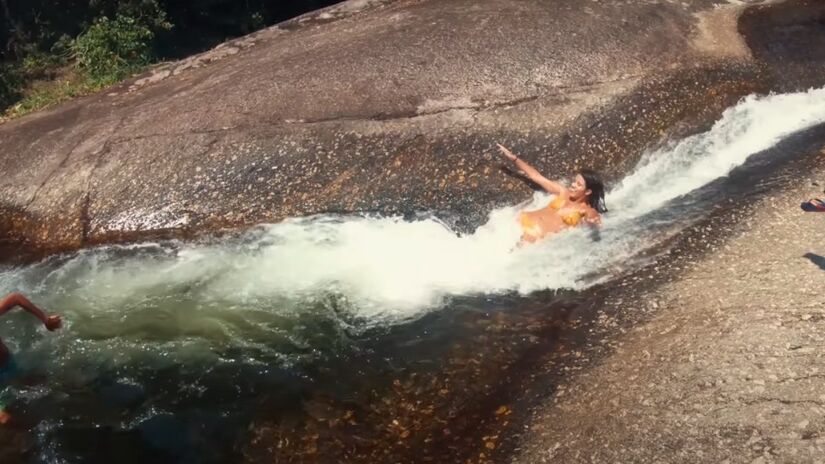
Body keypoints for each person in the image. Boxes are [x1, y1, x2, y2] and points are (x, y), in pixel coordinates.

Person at [497, 143, 607, 244]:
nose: (573, 185)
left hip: (532, 238)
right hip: (517, 225)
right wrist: (514, 159)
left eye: (579, 184)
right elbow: (537, 177)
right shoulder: (563, 192)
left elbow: (596, 234)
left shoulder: (588, 211)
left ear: (588, 191)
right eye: (574, 181)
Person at [0, 292, 62, 425]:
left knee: (42, 385)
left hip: (8, 364)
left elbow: (16, 298)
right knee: (6, 420)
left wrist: (45, 319)